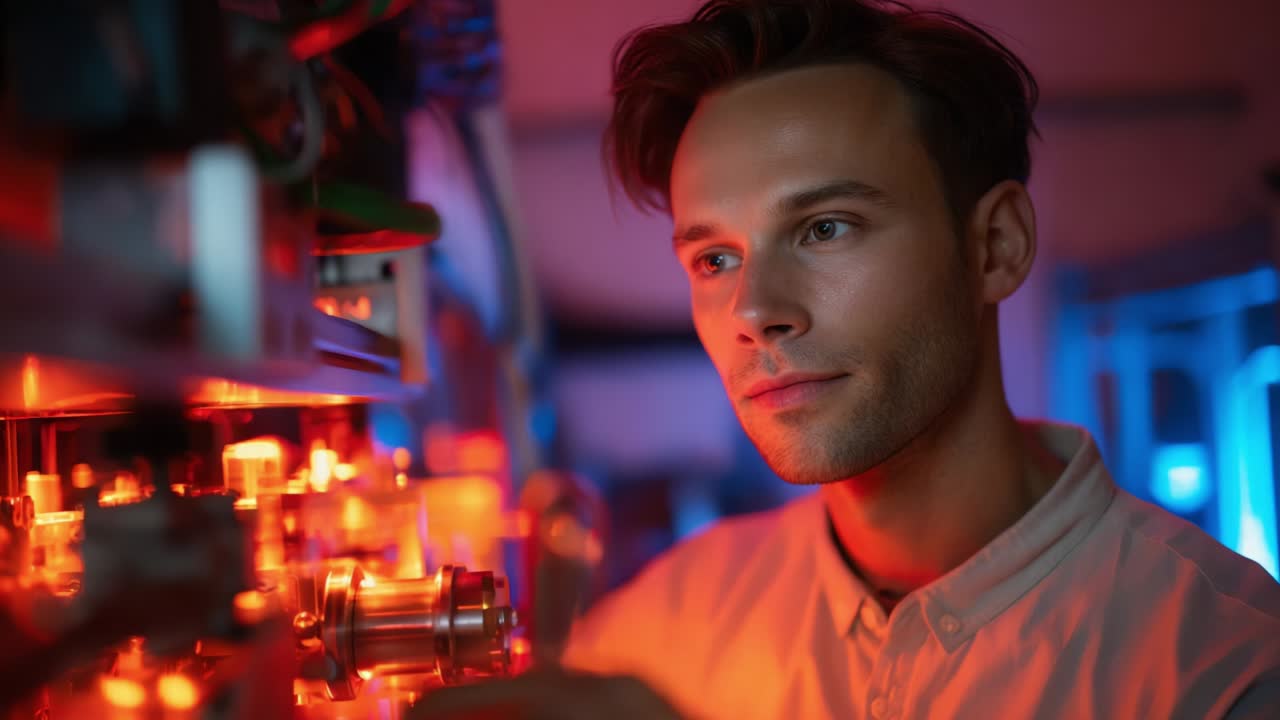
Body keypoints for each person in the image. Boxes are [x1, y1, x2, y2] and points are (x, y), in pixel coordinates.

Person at [413, 0, 1280, 717]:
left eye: (826, 228)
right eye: (715, 259)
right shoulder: (658, 632)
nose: (755, 312)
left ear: (996, 246)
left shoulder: (1224, 672)